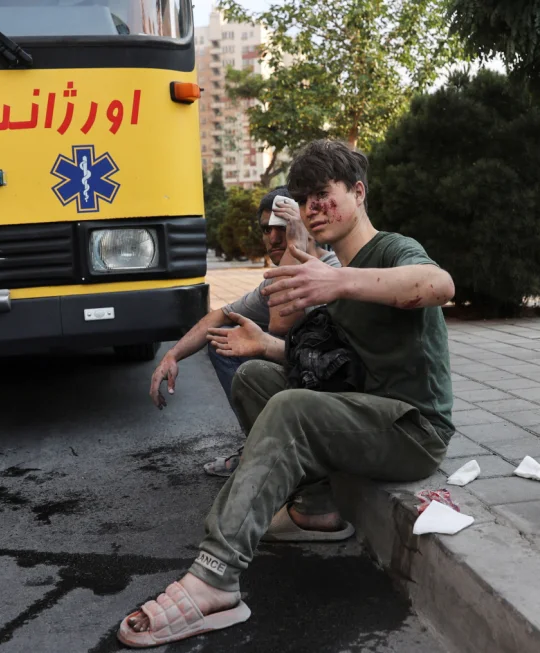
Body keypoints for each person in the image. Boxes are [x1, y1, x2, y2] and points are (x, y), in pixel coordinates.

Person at [115, 139, 456, 648]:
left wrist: (338, 283)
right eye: (304, 199)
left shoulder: (387, 251)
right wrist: (269, 345)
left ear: (358, 192)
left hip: (413, 429)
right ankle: (315, 510)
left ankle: (215, 578)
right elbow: (334, 371)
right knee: (255, 379)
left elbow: (439, 284)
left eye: (324, 194)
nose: (313, 209)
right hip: (365, 413)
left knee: (291, 407)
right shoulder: (320, 270)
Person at [147, 186, 339, 476]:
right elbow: (219, 316)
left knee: (253, 363)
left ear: (301, 226)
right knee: (224, 338)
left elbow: (280, 323)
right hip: (305, 373)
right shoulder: (274, 279)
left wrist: (296, 249)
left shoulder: (329, 269)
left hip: (338, 391)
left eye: (282, 227)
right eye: (266, 230)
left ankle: (275, 457)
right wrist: (171, 355)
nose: (273, 238)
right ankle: (258, 447)